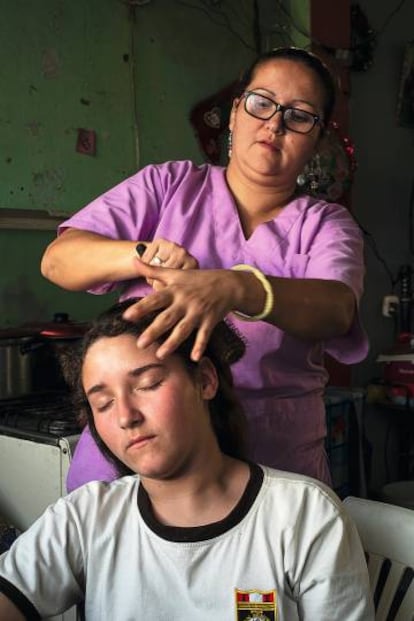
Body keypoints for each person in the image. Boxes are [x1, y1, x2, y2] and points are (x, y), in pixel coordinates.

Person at [40, 46, 368, 491]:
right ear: (234, 112)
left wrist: (240, 288)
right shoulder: (168, 185)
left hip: (270, 464)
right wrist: (144, 256)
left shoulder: (326, 225)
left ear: (317, 137)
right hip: (132, 453)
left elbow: (336, 309)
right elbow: (59, 260)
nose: (274, 124)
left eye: (300, 115)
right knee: (113, 556)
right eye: (261, 102)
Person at [0, 300, 374, 620]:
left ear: (205, 380)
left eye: (147, 385)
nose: (126, 416)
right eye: (103, 403)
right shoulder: (86, 518)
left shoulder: (305, 516)